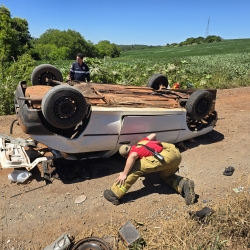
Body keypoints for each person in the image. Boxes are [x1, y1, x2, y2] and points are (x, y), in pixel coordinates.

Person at [103, 133, 195, 206]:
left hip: (166, 157)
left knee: (136, 166)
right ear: (130, 146)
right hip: (175, 154)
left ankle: (114, 193)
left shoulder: (132, 152)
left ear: (125, 156)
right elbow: (153, 135)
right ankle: (184, 185)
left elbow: (133, 156)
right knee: (166, 176)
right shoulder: (141, 142)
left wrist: (124, 173)